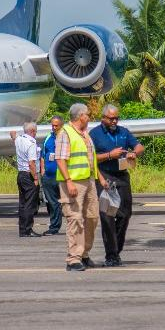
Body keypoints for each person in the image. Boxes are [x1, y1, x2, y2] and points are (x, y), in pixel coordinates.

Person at [55, 103, 109, 272]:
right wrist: (69, 181)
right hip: (73, 182)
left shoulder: (85, 134)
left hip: (89, 181)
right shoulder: (66, 133)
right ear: (80, 116)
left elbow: (90, 159)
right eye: (87, 114)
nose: (89, 117)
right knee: (75, 219)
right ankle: (73, 259)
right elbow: (60, 159)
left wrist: (99, 178)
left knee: (92, 217)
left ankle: (84, 254)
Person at [89, 103, 145, 267]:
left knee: (124, 215)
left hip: (122, 177)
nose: (114, 121)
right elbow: (90, 157)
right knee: (108, 217)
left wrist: (134, 153)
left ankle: (116, 250)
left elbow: (139, 146)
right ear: (103, 118)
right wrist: (109, 155)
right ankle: (111, 255)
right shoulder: (95, 134)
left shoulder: (123, 132)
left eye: (116, 118)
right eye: (111, 119)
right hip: (105, 178)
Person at [14, 121, 42, 237]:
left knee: (22, 203)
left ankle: (22, 229)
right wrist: (35, 178)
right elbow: (31, 163)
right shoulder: (31, 143)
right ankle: (28, 229)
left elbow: (13, 135)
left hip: (20, 174)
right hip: (28, 175)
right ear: (32, 131)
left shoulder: (19, 139)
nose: (35, 134)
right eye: (35, 132)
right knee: (30, 204)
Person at [40, 115, 64, 235]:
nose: (54, 127)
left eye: (56, 125)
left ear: (61, 125)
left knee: (68, 203)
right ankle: (54, 227)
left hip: (63, 176)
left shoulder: (66, 137)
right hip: (49, 176)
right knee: (52, 203)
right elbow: (43, 155)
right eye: (53, 125)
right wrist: (43, 171)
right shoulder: (48, 137)